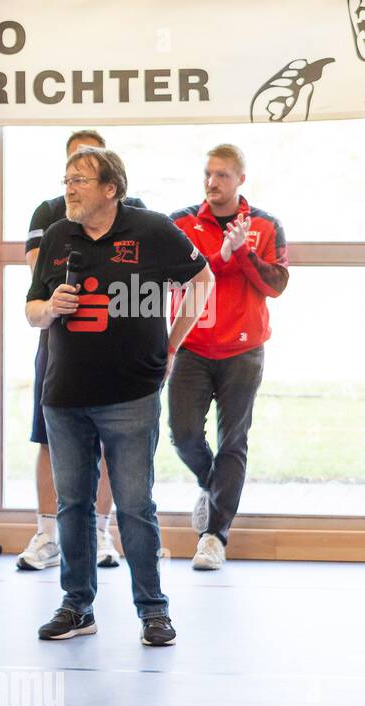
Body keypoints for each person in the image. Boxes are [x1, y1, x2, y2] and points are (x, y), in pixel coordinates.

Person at [25, 147, 212, 648]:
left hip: (131, 393)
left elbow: (203, 280)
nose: (70, 188)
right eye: (67, 179)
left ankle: (153, 610)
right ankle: (77, 606)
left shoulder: (151, 229)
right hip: (64, 395)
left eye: (80, 180)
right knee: (72, 506)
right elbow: (32, 310)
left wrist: (173, 344)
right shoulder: (58, 235)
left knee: (133, 506)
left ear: (111, 189)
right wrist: (50, 307)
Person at [18, 130, 144, 572]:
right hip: (59, 346)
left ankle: (101, 531)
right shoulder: (50, 213)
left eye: (84, 172)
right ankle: (47, 533)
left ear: (108, 179)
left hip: (116, 350)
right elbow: (41, 275)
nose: (73, 182)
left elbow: (142, 275)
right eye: (69, 171)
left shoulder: (136, 213)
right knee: (49, 438)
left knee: (110, 441)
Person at [169, 145, 288, 570]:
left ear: (240, 179)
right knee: (183, 435)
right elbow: (173, 279)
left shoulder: (265, 225)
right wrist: (219, 257)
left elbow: (276, 284)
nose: (212, 182)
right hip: (191, 347)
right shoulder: (180, 223)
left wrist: (241, 252)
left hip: (244, 351)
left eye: (222, 175)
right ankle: (212, 484)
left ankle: (214, 537)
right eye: (208, 173)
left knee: (233, 441)